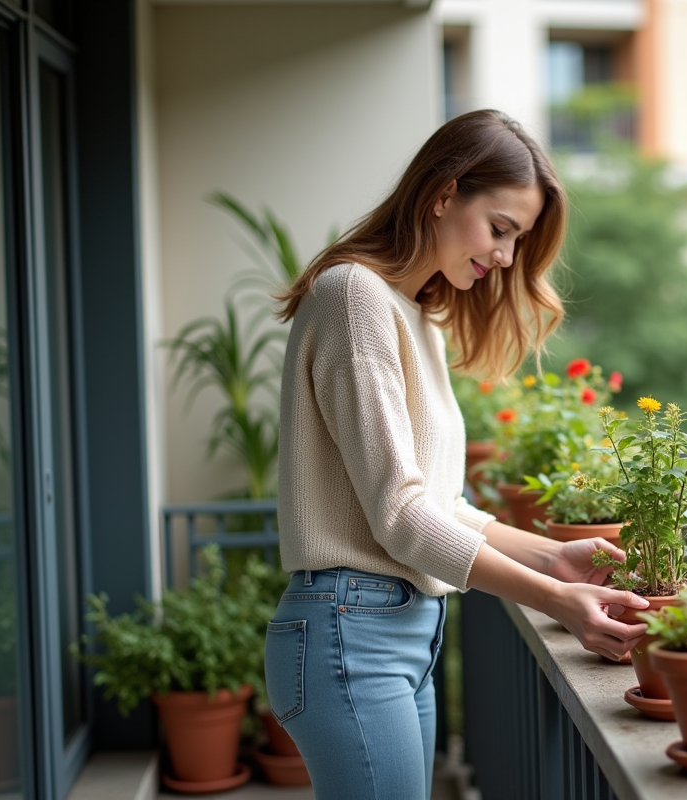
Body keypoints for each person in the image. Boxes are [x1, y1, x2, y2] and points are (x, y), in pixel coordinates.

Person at [263, 109, 649, 799]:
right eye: (500, 229)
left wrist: (549, 554)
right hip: (352, 632)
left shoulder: (417, 316)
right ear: (444, 194)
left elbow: (441, 507)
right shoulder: (353, 297)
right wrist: (560, 599)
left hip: (400, 631)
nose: (506, 256)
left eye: (517, 239)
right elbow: (401, 518)